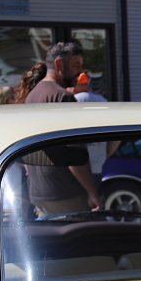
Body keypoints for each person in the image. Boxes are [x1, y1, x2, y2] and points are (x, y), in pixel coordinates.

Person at [20, 41, 101, 214]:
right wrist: (91, 191)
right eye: (76, 65)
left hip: (39, 194)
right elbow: (73, 155)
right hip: (66, 193)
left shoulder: (32, 96)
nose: (79, 72)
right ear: (58, 64)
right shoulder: (62, 97)